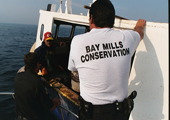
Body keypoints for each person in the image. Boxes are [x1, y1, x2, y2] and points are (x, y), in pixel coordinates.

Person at [68, 0, 146, 120]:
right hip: (118, 114)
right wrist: (139, 26)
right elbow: (139, 33)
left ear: (91, 18)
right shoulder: (127, 38)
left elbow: (73, 68)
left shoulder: (77, 41)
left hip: (90, 114)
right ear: (112, 20)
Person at [14, 52, 60, 120]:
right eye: (39, 63)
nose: (40, 65)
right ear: (36, 65)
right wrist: (56, 102)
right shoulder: (37, 82)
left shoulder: (17, 77)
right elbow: (50, 106)